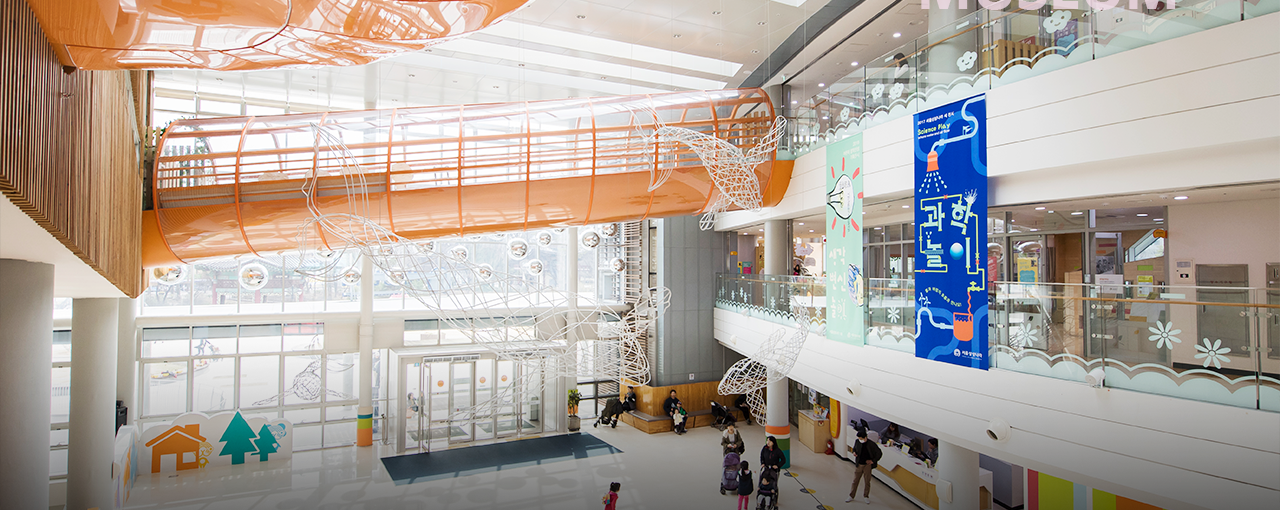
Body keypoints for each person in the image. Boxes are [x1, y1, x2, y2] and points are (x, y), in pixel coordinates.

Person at [845, 429, 881, 505]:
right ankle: (851, 495)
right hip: (859, 464)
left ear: (865, 437)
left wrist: (873, 461)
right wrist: (854, 452)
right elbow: (854, 449)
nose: (859, 440)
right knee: (855, 481)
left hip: (867, 465)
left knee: (867, 481)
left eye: (861, 438)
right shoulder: (857, 441)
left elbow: (879, 453)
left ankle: (866, 496)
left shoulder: (871, 444)